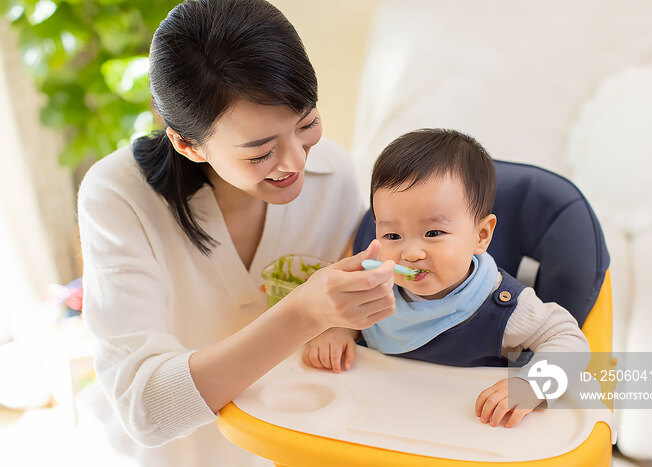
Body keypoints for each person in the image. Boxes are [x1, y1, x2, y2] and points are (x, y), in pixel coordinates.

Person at [76, 1, 396, 465]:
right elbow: (145, 409)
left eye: (306, 123)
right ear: (187, 144)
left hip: (296, 442)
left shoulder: (336, 174)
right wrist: (303, 312)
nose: (296, 162)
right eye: (260, 152)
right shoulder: (119, 197)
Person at [303, 128, 590, 428]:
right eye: (392, 235)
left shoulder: (502, 307)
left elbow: (570, 341)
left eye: (433, 233)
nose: (411, 252)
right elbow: (341, 314)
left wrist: (533, 386)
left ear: (481, 235)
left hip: (468, 434)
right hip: (380, 425)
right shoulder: (373, 285)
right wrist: (338, 331)